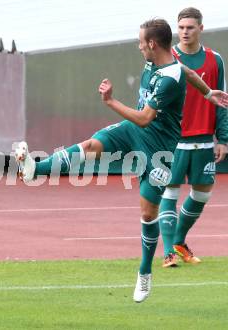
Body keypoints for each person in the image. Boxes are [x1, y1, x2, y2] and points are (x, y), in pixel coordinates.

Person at [14, 19, 228, 303]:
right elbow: (188, 70)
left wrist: (111, 101)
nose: (139, 47)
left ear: (152, 44)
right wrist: (207, 91)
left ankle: (144, 273)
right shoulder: (169, 61)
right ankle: (33, 169)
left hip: (159, 149)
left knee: (147, 214)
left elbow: (145, 117)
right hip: (133, 132)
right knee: (91, 144)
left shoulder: (168, 78)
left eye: (141, 42)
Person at [159, 7, 228, 268]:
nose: (185, 31)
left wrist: (223, 138)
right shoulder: (167, 57)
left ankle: (178, 241)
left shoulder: (215, 59)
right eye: (181, 27)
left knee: (202, 194)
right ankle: (168, 252)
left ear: (201, 28)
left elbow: (221, 100)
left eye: (190, 27)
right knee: (170, 192)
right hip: (172, 140)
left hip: (203, 141)